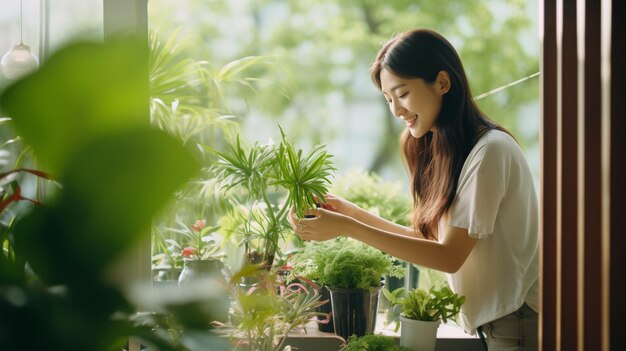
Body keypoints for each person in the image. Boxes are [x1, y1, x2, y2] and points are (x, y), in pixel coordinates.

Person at [289, 28, 539, 351]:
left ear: (443, 83)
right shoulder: (445, 150)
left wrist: (347, 228)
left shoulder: (491, 151)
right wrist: (347, 211)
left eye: (402, 94)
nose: (395, 110)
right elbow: (431, 242)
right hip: (501, 324)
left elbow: (448, 256)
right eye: (388, 98)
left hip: (520, 322)